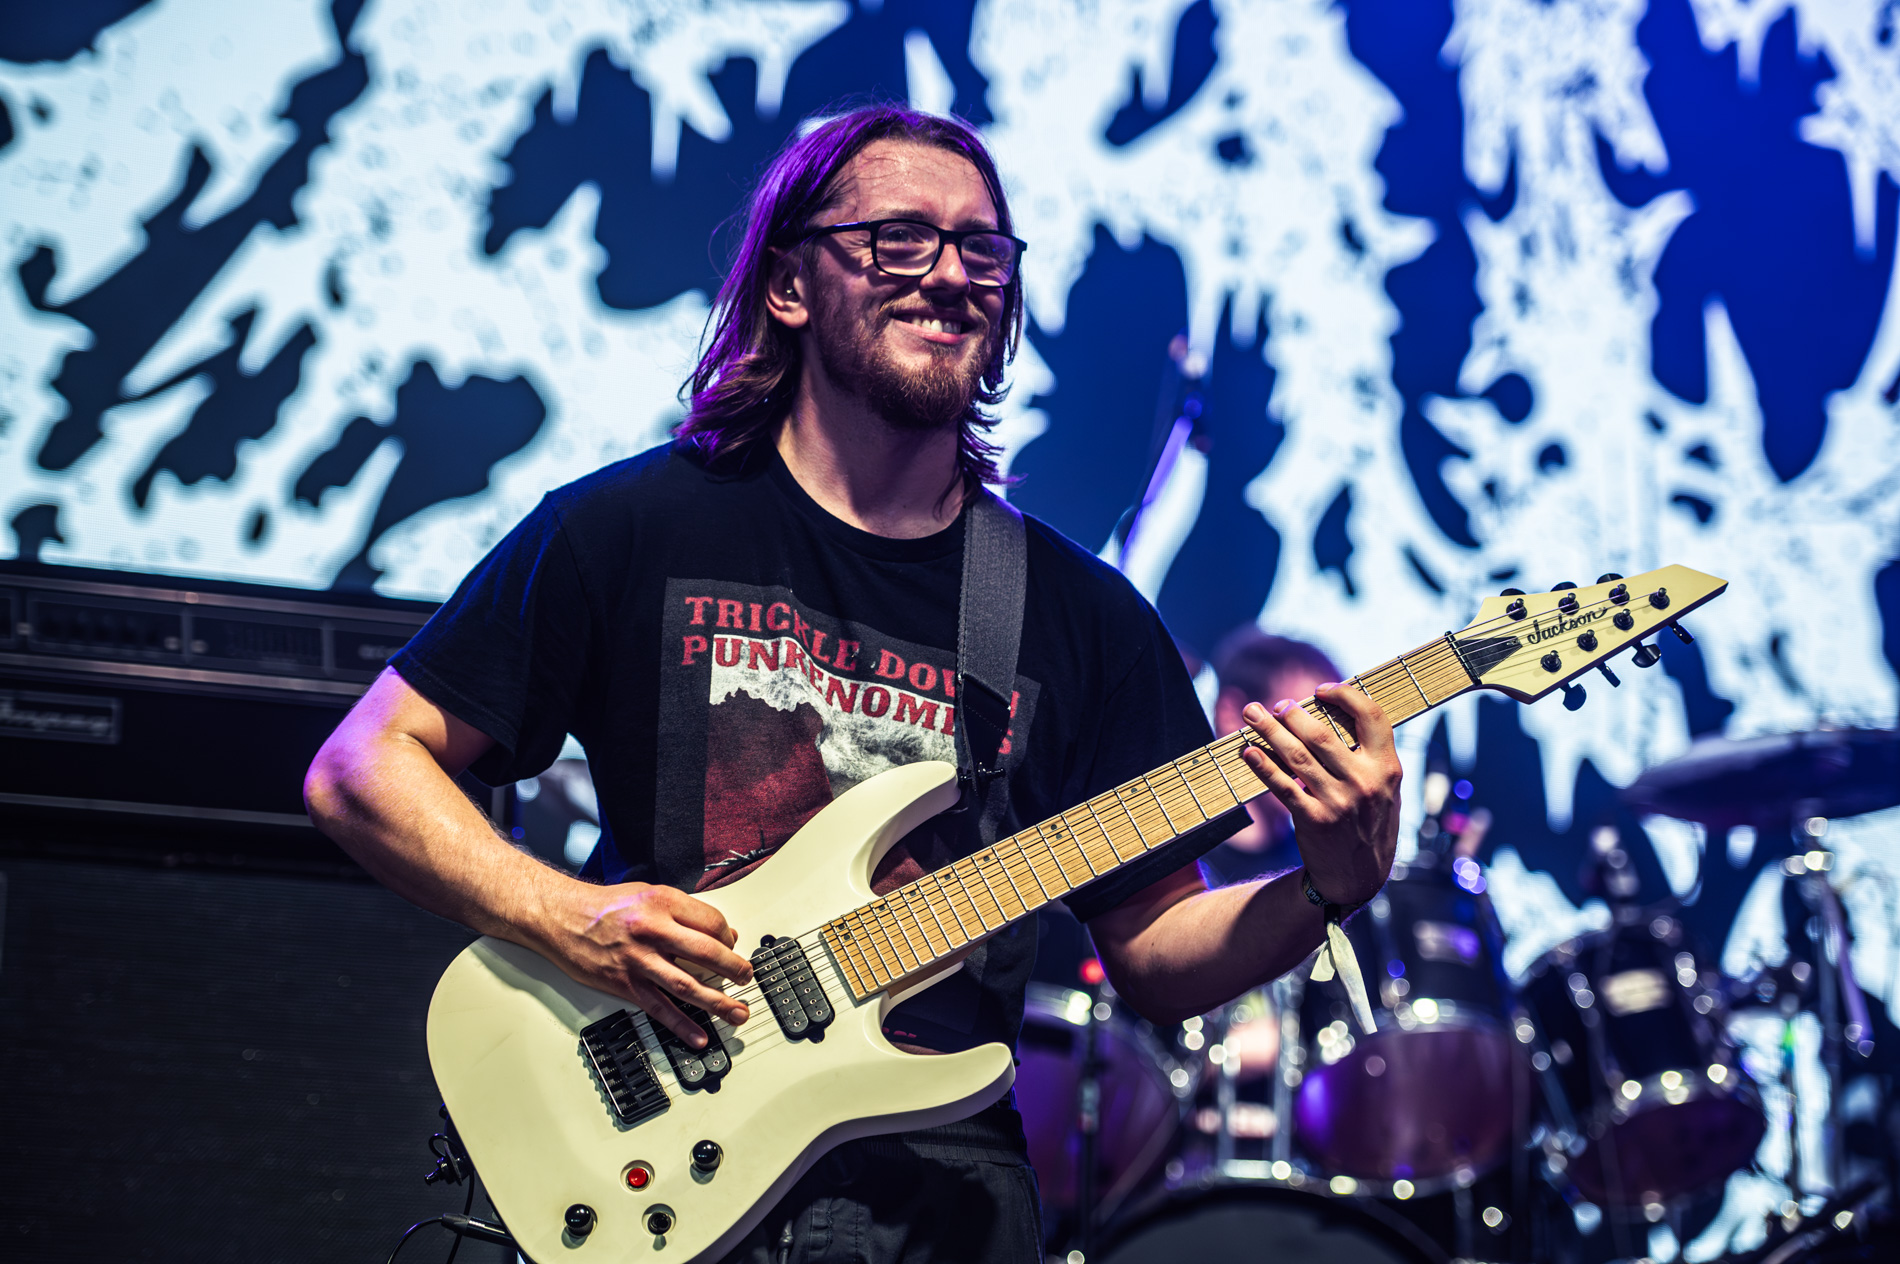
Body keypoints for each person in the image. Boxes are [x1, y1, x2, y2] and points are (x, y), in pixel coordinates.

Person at [303, 103, 1401, 1263]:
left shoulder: (1084, 616)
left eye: (982, 249)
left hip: (942, 1196)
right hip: (665, 1141)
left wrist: (1325, 885)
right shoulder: (627, 526)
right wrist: (566, 916)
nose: (951, 275)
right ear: (789, 284)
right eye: (900, 239)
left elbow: (1159, 951)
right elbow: (361, 767)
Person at [1198, 628, 1341, 887]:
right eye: (1301, 724)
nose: (1326, 753)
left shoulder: (1323, 869)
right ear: (1232, 715)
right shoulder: (1178, 861)